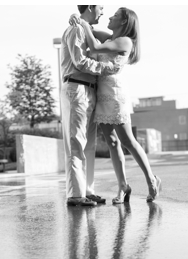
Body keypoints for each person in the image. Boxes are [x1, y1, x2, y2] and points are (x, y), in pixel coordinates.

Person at [70, 7, 162, 204]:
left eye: (115, 15)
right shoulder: (110, 37)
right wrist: (76, 18)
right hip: (101, 92)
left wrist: (83, 23)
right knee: (112, 142)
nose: (109, 16)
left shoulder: (125, 41)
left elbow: (93, 47)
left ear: (123, 22)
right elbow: (86, 28)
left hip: (115, 94)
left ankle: (151, 180)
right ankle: (123, 187)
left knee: (127, 140)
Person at [61, 5, 123, 207]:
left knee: (89, 145)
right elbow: (79, 61)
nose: (103, 12)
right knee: (76, 141)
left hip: (90, 89)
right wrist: (105, 69)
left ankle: (87, 190)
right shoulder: (77, 28)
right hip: (76, 87)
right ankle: (76, 194)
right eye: (101, 8)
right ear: (90, 6)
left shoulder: (86, 28)